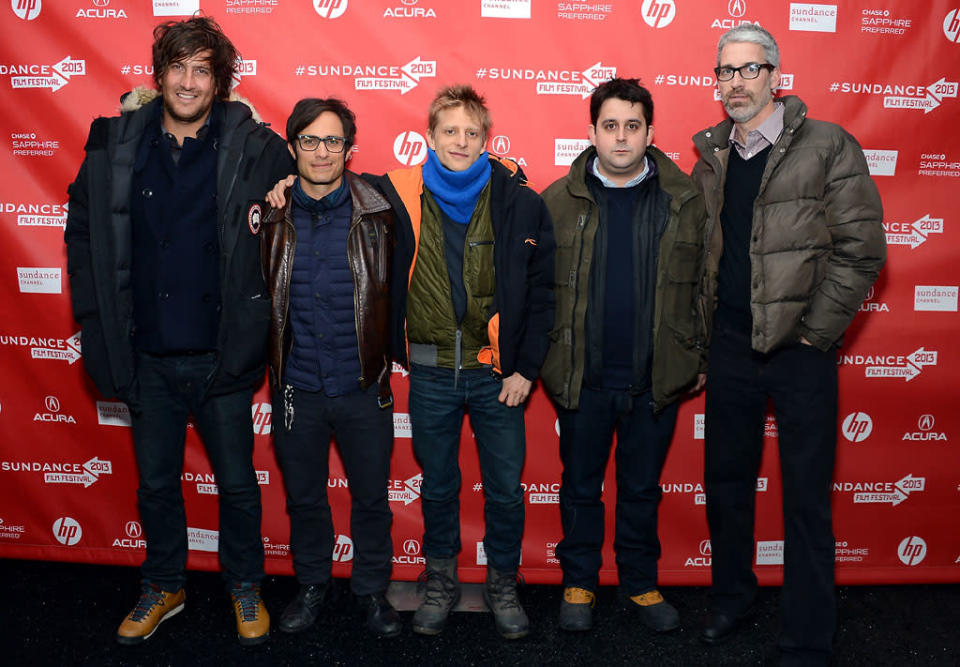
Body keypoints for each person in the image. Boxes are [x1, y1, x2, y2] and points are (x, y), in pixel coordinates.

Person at [64, 16, 293, 646]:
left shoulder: (256, 146)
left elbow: (314, 180)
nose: (188, 82)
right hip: (146, 354)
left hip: (224, 355)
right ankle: (163, 585)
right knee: (158, 484)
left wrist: (289, 186)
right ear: (159, 73)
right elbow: (81, 232)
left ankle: (245, 586)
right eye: (178, 67)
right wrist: (93, 322)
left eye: (203, 70)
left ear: (220, 81)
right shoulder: (116, 144)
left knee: (239, 486)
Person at [691, 25, 886, 664]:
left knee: (805, 495)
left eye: (749, 69)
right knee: (725, 484)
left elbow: (863, 252)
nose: (736, 82)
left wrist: (814, 332)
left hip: (802, 352)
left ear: (776, 73)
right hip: (729, 346)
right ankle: (731, 599)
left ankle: (807, 631)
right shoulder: (711, 155)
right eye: (725, 71)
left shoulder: (828, 145)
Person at [369, 84, 555, 639]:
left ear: (485, 140)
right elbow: (317, 176)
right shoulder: (393, 196)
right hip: (429, 374)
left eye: (472, 132)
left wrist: (526, 369)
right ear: (429, 136)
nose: (460, 140)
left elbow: (545, 292)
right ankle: (442, 581)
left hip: (498, 374)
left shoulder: (520, 200)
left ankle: (502, 582)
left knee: (503, 486)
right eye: (449, 130)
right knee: (439, 486)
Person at [540, 78, 707, 633]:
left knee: (640, 489)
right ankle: (579, 582)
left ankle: (640, 583)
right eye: (609, 125)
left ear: (650, 133)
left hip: (653, 377)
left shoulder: (683, 201)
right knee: (580, 486)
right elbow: (534, 290)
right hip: (581, 377)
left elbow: (707, 284)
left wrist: (697, 356)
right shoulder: (555, 202)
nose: (620, 137)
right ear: (591, 132)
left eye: (632, 126)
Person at [260, 98, 400, 637]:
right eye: (311, 141)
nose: (322, 152)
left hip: (364, 384)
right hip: (297, 386)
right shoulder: (270, 213)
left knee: (371, 498)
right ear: (293, 147)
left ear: (349, 147)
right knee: (305, 498)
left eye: (334, 141)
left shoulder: (381, 209)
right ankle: (313, 584)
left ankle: (372, 592)